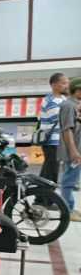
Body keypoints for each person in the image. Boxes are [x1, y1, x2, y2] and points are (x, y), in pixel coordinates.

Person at [38, 73, 69, 187]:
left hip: (58, 141)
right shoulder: (50, 100)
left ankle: (43, 198)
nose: (67, 86)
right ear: (54, 85)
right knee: (51, 171)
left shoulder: (63, 99)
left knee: (49, 169)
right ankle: (45, 199)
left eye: (67, 83)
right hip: (52, 141)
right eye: (64, 83)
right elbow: (61, 120)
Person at [58, 77, 81, 221]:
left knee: (72, 180)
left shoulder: (75, 105)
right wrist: (73, 151)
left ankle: (70, 207)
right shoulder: (68, 105)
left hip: (77, 149)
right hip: (72, 150)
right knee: (68, 181)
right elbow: (67, 130)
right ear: (77, 90)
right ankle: (67, 211)